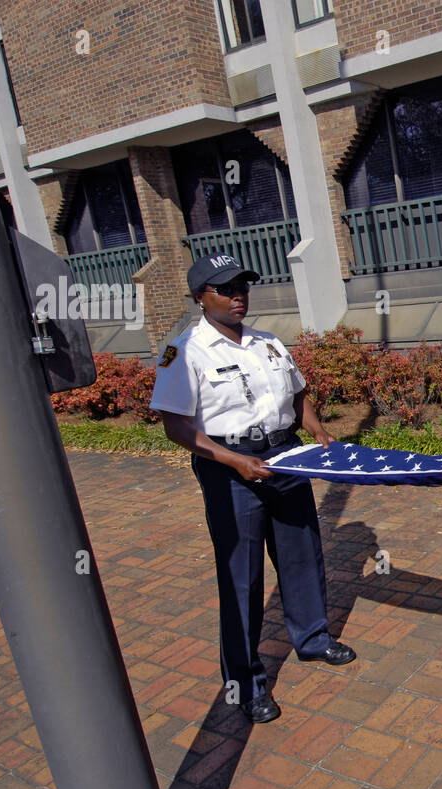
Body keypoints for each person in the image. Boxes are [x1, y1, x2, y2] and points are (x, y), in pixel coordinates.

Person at [150, 252, 356, 725]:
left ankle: (313, 639)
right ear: (201, 297)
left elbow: (297, 394)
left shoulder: (269, 343)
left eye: (243, 286)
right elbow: (177, 428)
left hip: (286, 459)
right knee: (241, 578)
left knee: (302, 556)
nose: (238, 296)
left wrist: (318, 431)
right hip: (229, 471)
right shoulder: (184, 353)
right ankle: (245, 683)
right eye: (226, 289)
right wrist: (235, 461)